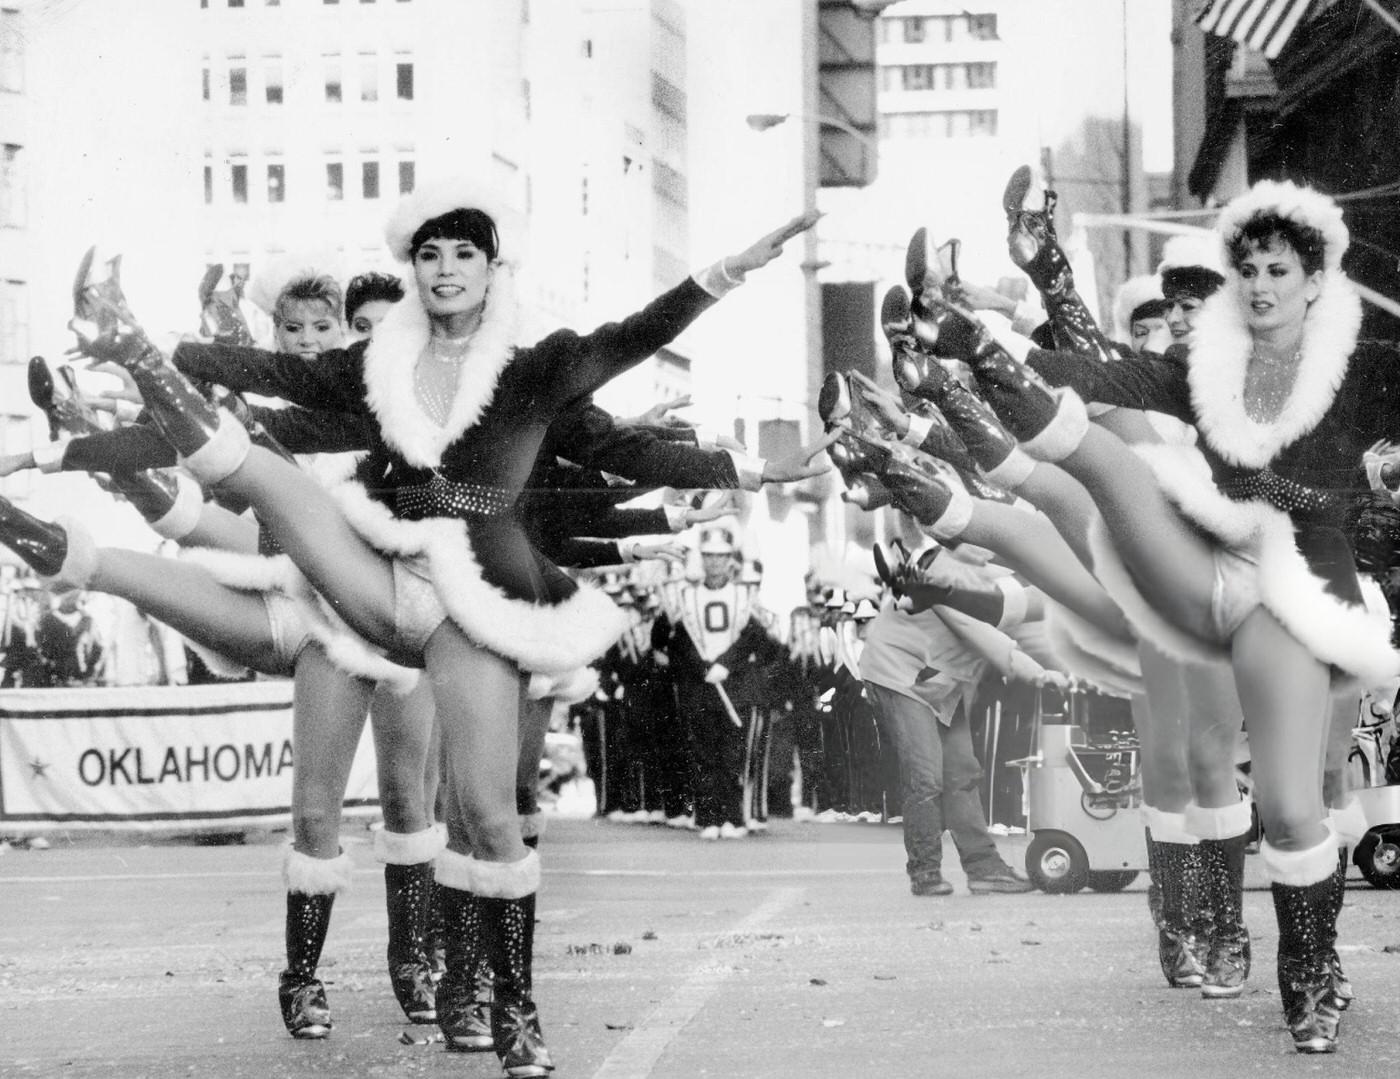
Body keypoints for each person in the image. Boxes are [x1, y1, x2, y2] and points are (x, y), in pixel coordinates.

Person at [67, 182, 816, 1078]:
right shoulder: (376, 365)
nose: (445, 269)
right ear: (412, 270)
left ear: (492, 267)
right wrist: (162, 354)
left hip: (480, 599)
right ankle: (124, 341)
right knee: (272, 477)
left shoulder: (537, 365)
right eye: (429, 255)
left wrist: (732, 332)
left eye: (463, 253)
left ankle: (511, 1004)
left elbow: (633, 348)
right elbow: (273, 379)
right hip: (384, 574)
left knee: (488, 819)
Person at [911, 179, 1398, 1054]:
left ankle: (1313, 964)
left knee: (1293, 805)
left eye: (1276, 270)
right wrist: (962, 340)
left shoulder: (1367, 367)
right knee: (1097, 461)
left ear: (1315, 279)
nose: (1256, 286)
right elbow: (1084, 371)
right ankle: (1221, 934)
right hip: (1211, 569)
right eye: (1244, 268)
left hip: (1303, 595)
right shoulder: (1199, 367)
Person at [860, 543, 1049, 896]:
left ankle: (984, 869)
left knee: (962, 771)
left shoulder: (999, 574)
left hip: (938, 678)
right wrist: (1043, 674)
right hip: (898, 668)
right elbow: (988, 638)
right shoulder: (957, 572)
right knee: (926, 776)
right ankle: (925, 871)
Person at [652, 526, 786, 840]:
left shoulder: (745, 596)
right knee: (702, 753)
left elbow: (756, 639)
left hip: (735, 685)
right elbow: (676, 642)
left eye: (721, 557)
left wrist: (726, 663)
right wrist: (701, 667)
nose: (714, 563)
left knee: (731, 754)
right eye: (709, 556)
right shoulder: (687, 597)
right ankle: (708, 817)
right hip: (699, 685)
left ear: (730, 561)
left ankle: (733, 817)